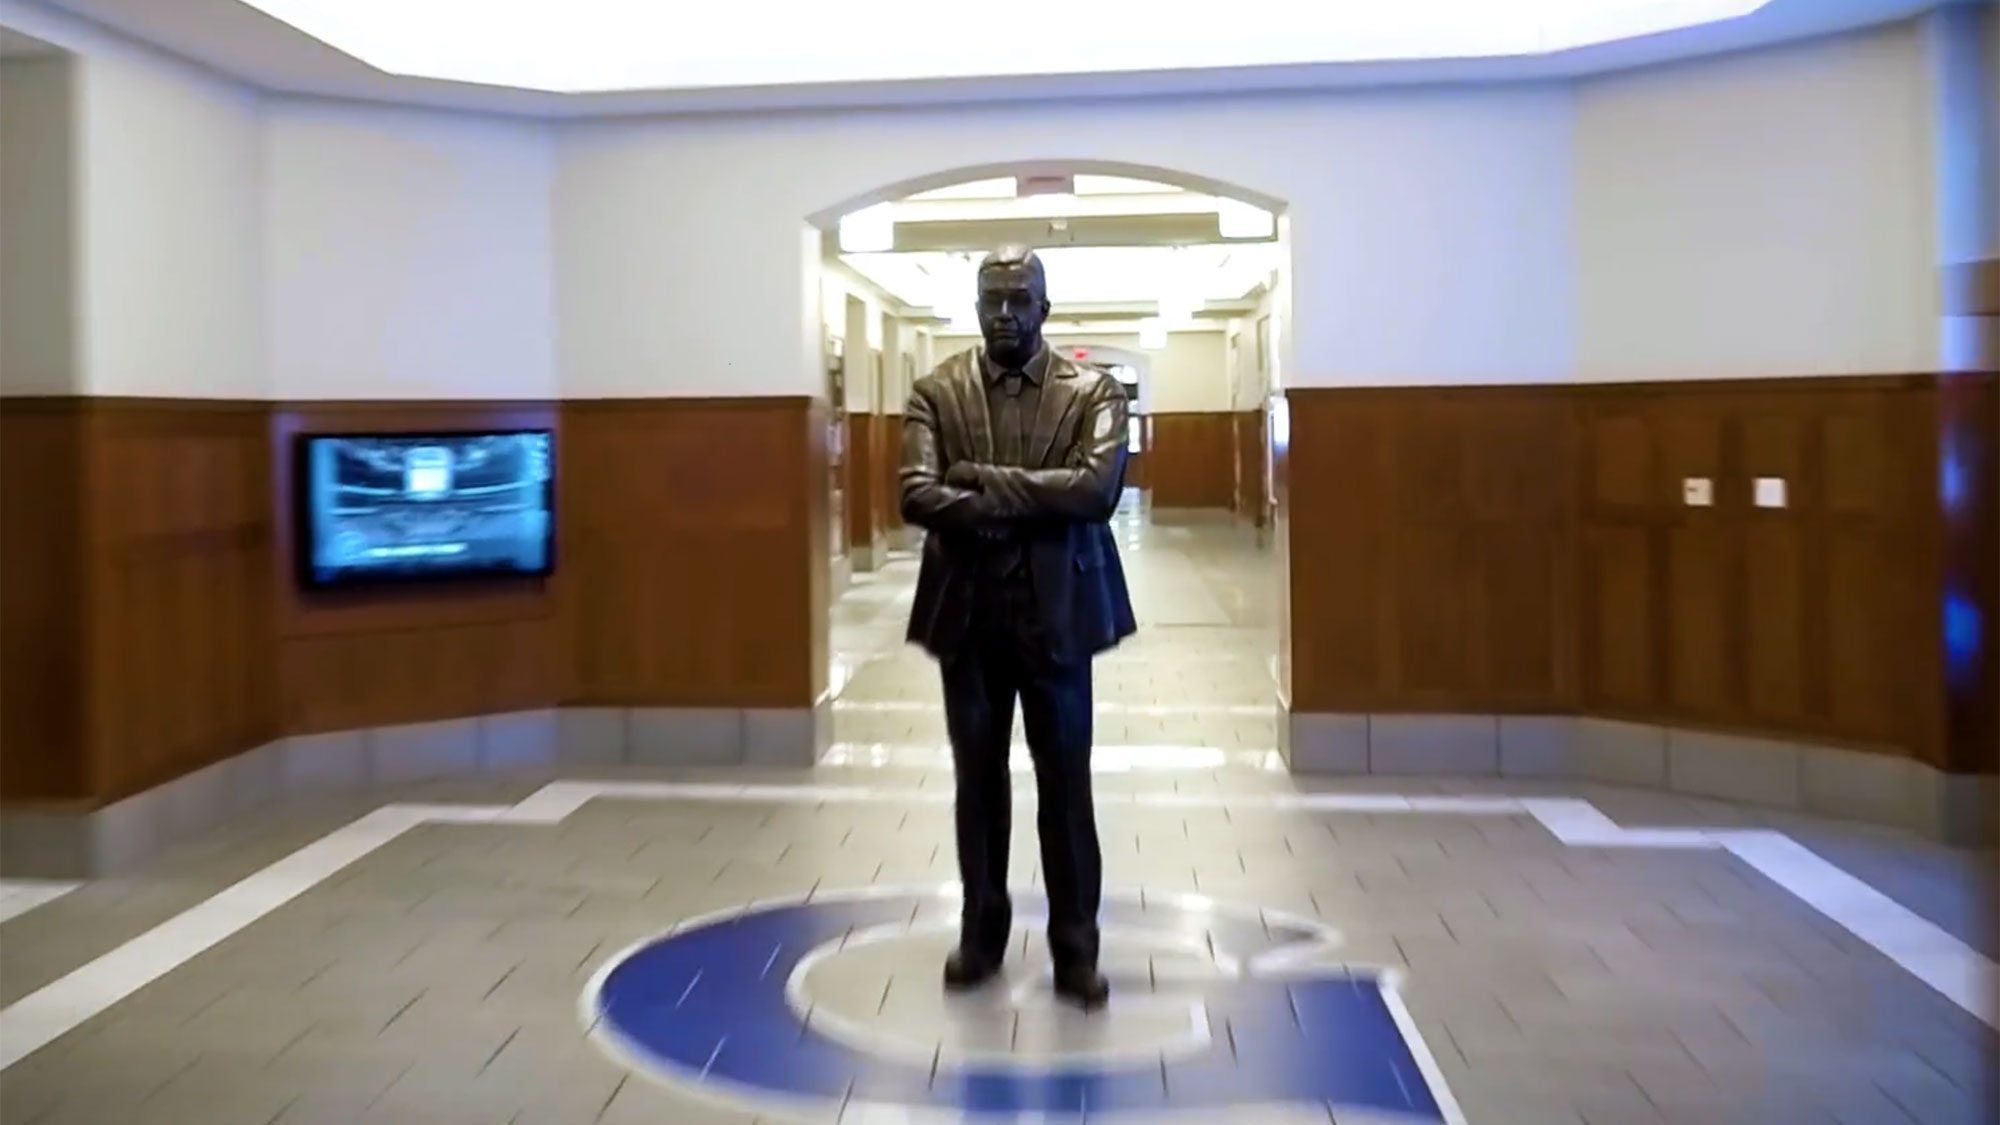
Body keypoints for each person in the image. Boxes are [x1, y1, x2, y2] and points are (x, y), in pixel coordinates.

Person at [898, 245, 1137, 1009]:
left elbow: (1095, 491)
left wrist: (984, 487)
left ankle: (1076, 947)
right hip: (967, 617)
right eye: (991, 301)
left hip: (1056, 616)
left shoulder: (1093, 391)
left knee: (1066, 787)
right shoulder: (936, 392)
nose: (1004, 314)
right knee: (979, 783)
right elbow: (916, 494)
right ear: (975, 307)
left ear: (1045, 306)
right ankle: (981, 931)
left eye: (1018, 300)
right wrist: (1032, 500)